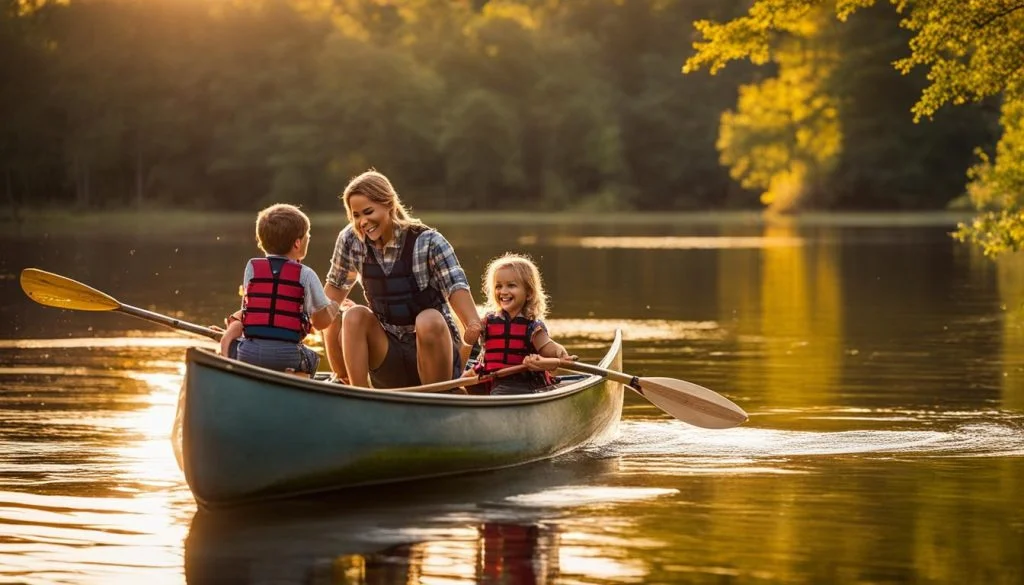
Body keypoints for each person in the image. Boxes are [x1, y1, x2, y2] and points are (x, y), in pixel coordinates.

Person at [323, 170, 483, 388]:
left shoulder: (429, 241)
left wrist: (473, 324)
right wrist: (304, 322)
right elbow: (331, 295)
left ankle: (436, 401)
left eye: (368, 212)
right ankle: (359, 397)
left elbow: (456, 287)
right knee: (354, 315)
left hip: (434, 353)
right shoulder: (351, 240)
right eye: (356, 215)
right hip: (388, 351)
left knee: (429, 319)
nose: (362, 222)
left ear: (389, 204)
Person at [218, 203, 338, 376]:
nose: (308, 238)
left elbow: (249, 309)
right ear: (298, 243)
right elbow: (321, 322)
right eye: (307, 236)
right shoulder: (306, 274)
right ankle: (297, 380)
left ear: (261, 242)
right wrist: (334, 307)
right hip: (287, 357)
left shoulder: (251, 267)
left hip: (249, 354)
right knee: (311, 358)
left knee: (239, 348)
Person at [464, 252, 572, 395]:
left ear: (529, 293)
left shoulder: (532, 327)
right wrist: (471, 332)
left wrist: (556, 354)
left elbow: (552, 350)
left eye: (511, 285)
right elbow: (468, 341)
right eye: (498, 286)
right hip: (488, 376)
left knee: (500, 392)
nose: (503, 291)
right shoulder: (487, 321)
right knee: (458, 385)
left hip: (519, 382)